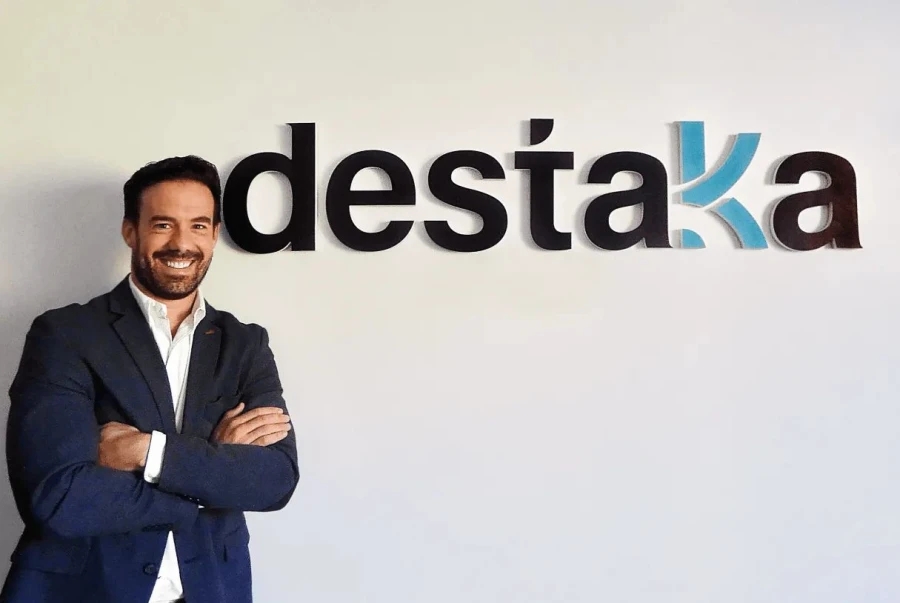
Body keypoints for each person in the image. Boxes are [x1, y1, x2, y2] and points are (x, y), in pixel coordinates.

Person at [0, 156, 299, 603]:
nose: (182, 243)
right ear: (130, 231)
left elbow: (275, 480)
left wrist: (147, 451)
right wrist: (212, 475)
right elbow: (59, 497)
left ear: (214, 234)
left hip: (211, 590)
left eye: (198, 226)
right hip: (83, 591)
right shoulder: (64, 335)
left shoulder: (245, 344)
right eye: (163, 225)